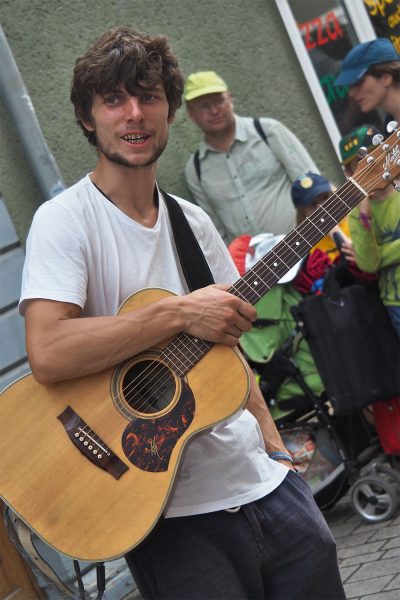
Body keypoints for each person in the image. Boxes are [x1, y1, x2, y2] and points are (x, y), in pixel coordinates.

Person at [19, 27, 345, 599]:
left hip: (261, 482)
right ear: (88, 118)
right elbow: (48, 351)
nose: (134, 114)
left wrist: (275, 449)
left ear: (170, 111)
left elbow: (228, 346)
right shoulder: (64, 220)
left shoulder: (191, 223)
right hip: (161, 508)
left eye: (149, 97)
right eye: (114, 100)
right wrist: (174, 316)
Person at [184, 70, 319, 244]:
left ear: (230, 99)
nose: (214, 110)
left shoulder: (268, 132)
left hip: (306, 245)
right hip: (256, 267)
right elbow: (215, 234)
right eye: (204, 106)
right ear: (191, 115)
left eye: (219, 101)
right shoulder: (195, 170)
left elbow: (315, 187)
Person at [339, 124, 400, 337]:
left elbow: (374, 259)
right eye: (353, 168)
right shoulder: (356, 213)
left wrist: (382, 254)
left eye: (366, 163)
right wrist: (363, 211)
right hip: (396, 304)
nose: (363, 173)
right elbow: (368, 264)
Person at [334, 38, 400, 126]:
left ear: (386, 78)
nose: (351, 93)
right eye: (349, 86)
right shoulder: (390, 127)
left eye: (358, 82)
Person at [290, 171, 354, 262]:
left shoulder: (354, 219)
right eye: (313, 204)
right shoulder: (310, 248)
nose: (322, 207)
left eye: (325, 197)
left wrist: (335, 230)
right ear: (302, 214)